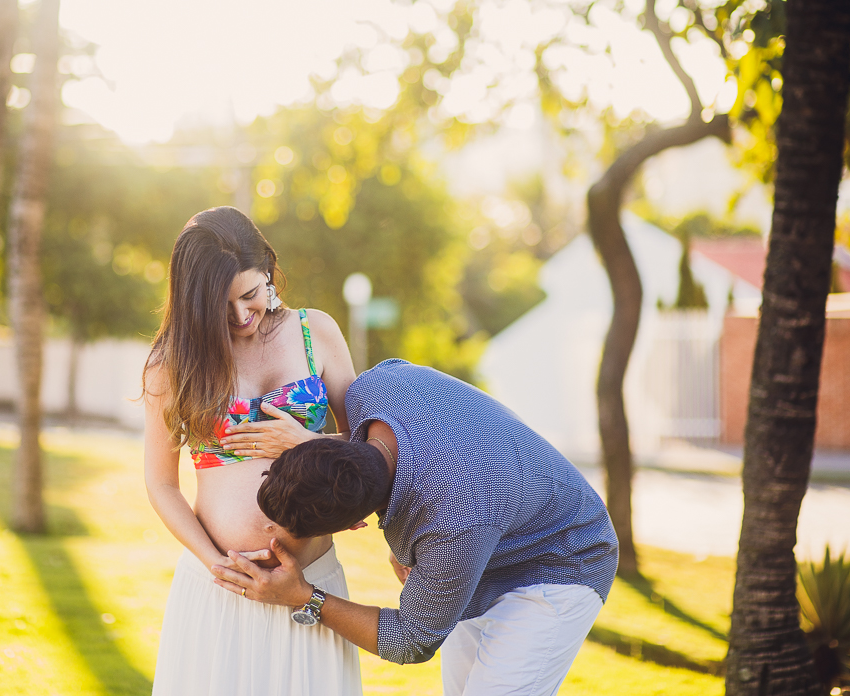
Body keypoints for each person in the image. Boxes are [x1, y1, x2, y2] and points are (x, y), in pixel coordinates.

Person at [213, 358, 619, 696]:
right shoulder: (374, 388)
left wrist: (304, 596)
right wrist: (417, 542)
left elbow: (411, 641)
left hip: (562, 560)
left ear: (357, 524)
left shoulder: (455, 522)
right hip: (486, 535)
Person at [142, 206, 363, 696]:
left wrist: (306, 444)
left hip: (309, 582)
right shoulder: (173, 361)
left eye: (250, 294)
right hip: (219, 588)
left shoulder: (316, 332)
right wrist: (213, 563)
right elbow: (160, 482)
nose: (241, 316)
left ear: (268, 269)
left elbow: (367, 446)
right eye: (222, 307)